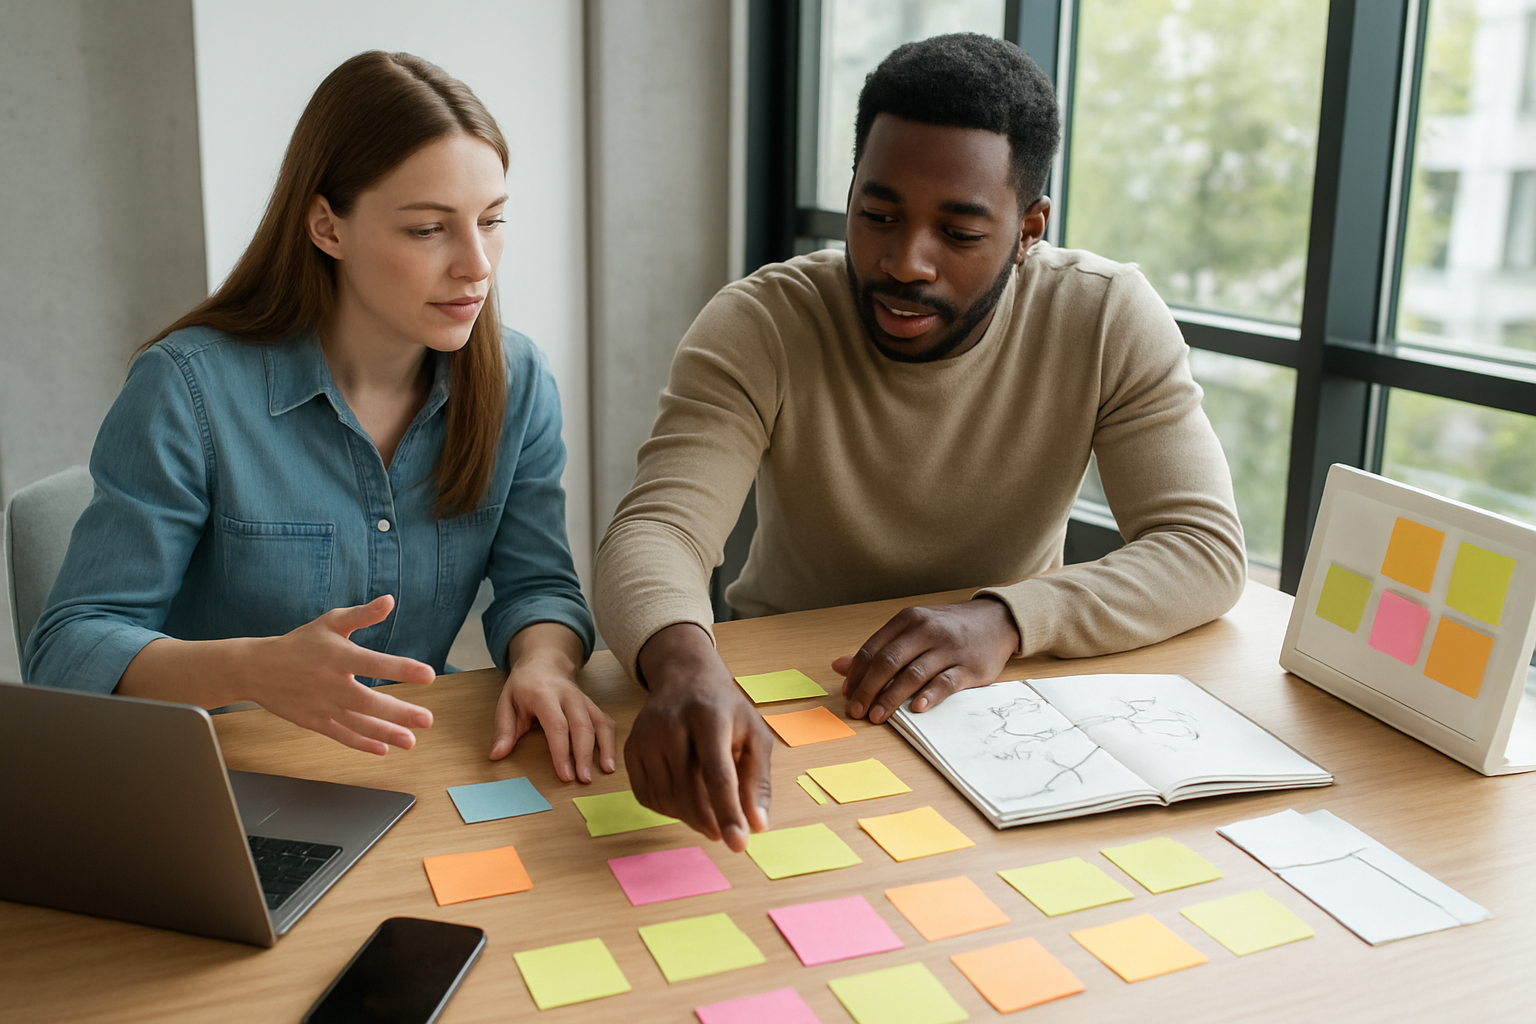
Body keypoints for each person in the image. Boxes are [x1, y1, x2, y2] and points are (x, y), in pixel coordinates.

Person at [593, 33, 1246, 849]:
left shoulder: (1105, 315)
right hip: (790, 700)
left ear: (1028, 227)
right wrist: (686, 664)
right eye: (878, 215)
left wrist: (1006, 619)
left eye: (960, 233)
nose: (905, 262)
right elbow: (657, 530)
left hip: (1008, 707)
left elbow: (1204, 550)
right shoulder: (764, 319)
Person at [24, 51, 615, 784]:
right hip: (222, 779)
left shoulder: (516, 379)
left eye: (491, 221)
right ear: (327, 228)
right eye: (429, 229)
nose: (477, 265)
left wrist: (545, 666)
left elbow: (538, 589)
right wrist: (255, 668)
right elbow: (67, 651)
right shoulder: (186, 389)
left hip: (410, 763)